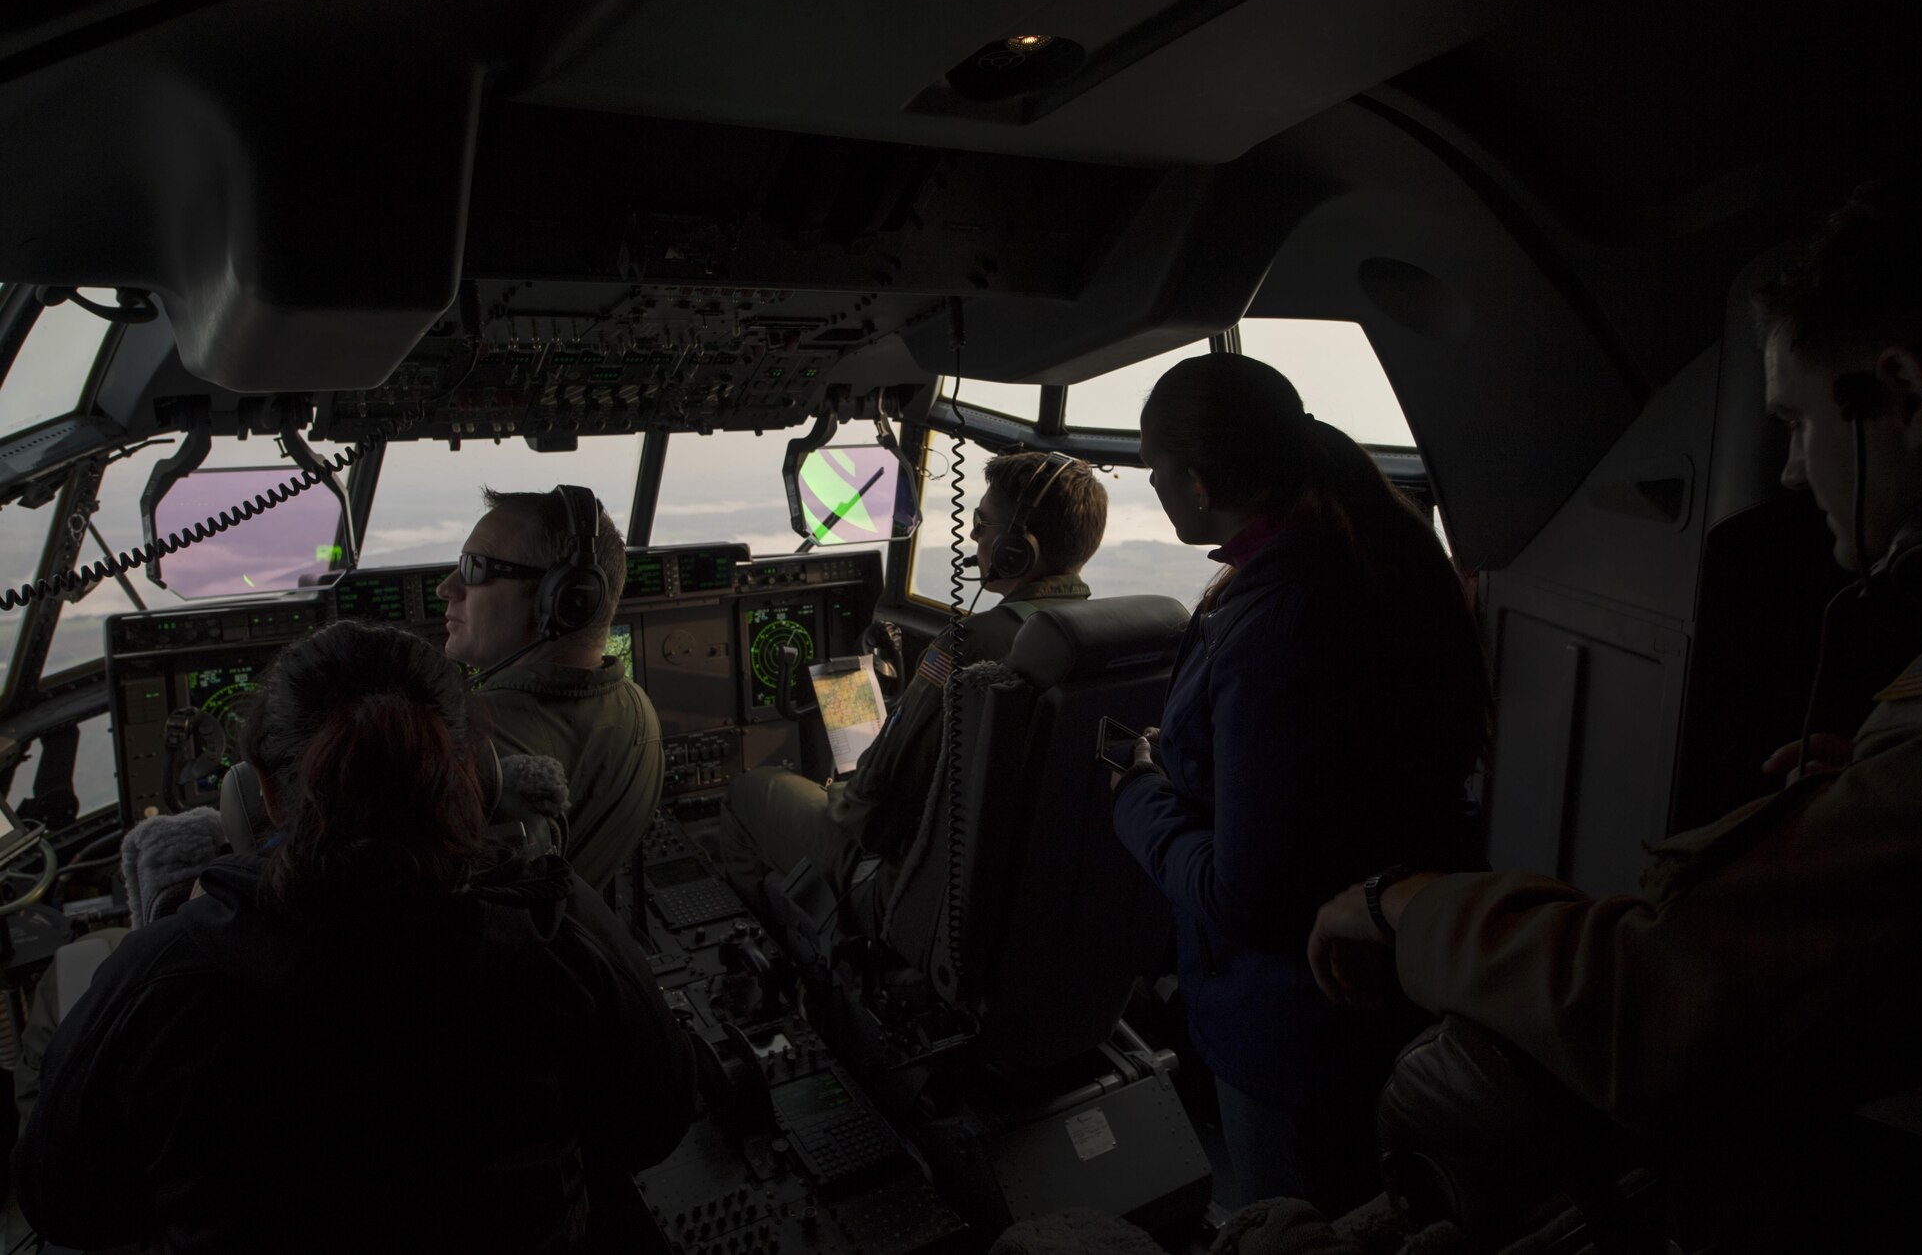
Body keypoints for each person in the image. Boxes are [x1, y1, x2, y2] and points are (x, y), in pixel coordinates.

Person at [1307, 155, 1922, 1177]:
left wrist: (1393, 905)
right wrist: (1869, 802)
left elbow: (1651, 1012)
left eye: (1797, 423)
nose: (1790, 471)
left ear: (1901, 394)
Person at [14, 622, 697, 1254]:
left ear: (259, 798)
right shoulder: (552, 925)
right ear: (477, 776)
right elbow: (655, 1123)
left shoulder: (169, 972)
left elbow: (64, 1204)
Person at [1113, 353, 1491, 1215]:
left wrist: (1135, 794)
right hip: (1382, 997)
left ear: (1199, 482)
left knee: (1297, 1223)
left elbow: (1244, 895)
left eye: (1154, 468)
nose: (1154, 487)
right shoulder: (1359, 563)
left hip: (1292, 1030)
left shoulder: (1277, 618)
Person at [718, 451, 1107, 927]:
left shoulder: (972, 643)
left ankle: (799, 950)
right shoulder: (1098, 637)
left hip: (911, 886)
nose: (974, 537)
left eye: (982, 524)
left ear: (1017, 548)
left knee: (750, 792)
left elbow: (873, 815)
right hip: (1026, 895)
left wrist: (839, 793)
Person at [437, 486, 664, 889]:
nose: (447, 588)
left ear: (563, 598)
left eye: (475, 568)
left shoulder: (463, 744)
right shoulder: (639, 708)